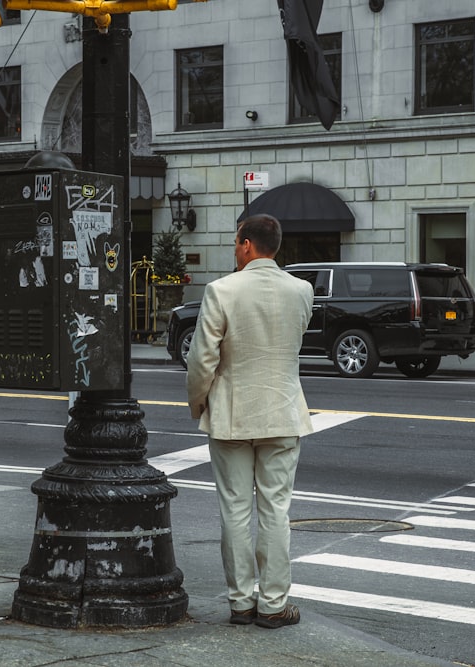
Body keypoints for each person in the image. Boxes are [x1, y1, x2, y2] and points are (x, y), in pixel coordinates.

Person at [185, 214, 314, 629]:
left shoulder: (220, 290)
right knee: (276, 510)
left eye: (234, 242)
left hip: (232, 414)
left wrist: (198, 404)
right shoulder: (302, 291)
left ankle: (241, 601)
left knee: (235, 510)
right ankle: (274, 605)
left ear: (245, 245)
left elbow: (202, 359)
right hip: (282, 411)